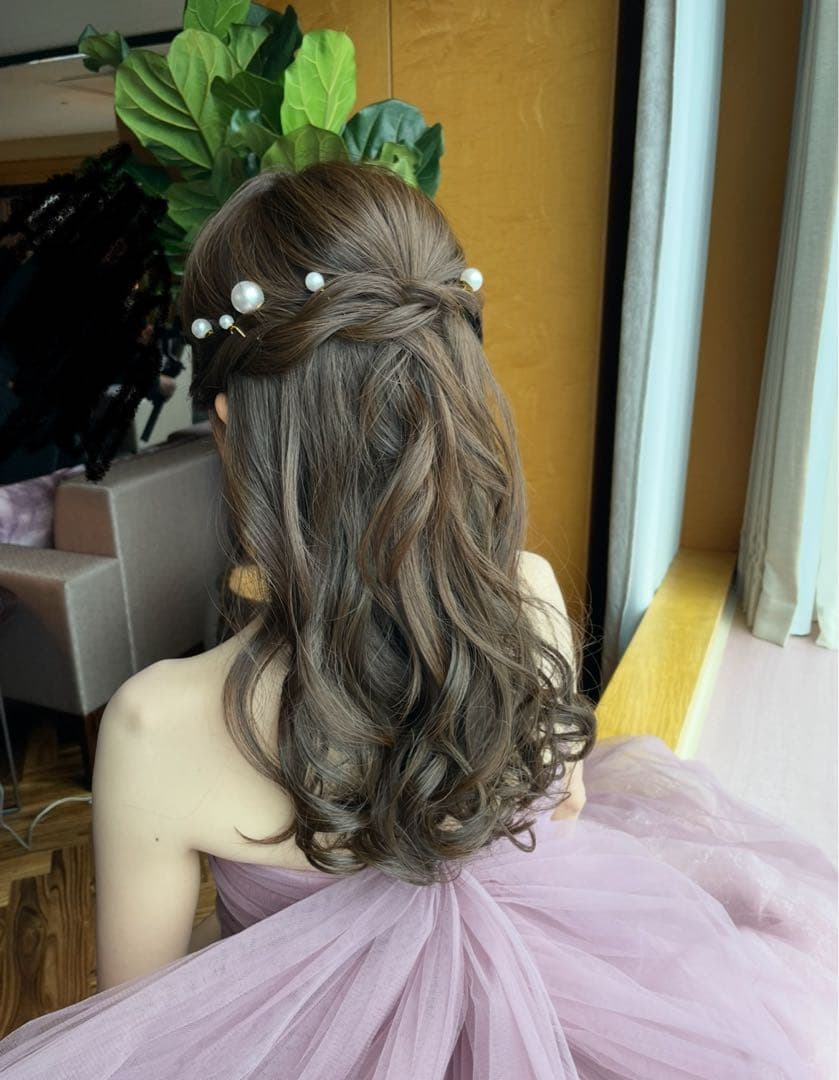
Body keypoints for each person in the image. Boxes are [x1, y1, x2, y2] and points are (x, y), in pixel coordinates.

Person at [0, 161, 834, 1080]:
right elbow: (564, 810)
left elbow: (141, 1026)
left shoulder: (154, 724)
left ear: (230, 425)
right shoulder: (530, 595)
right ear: (447, 388)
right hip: (558, 1006)